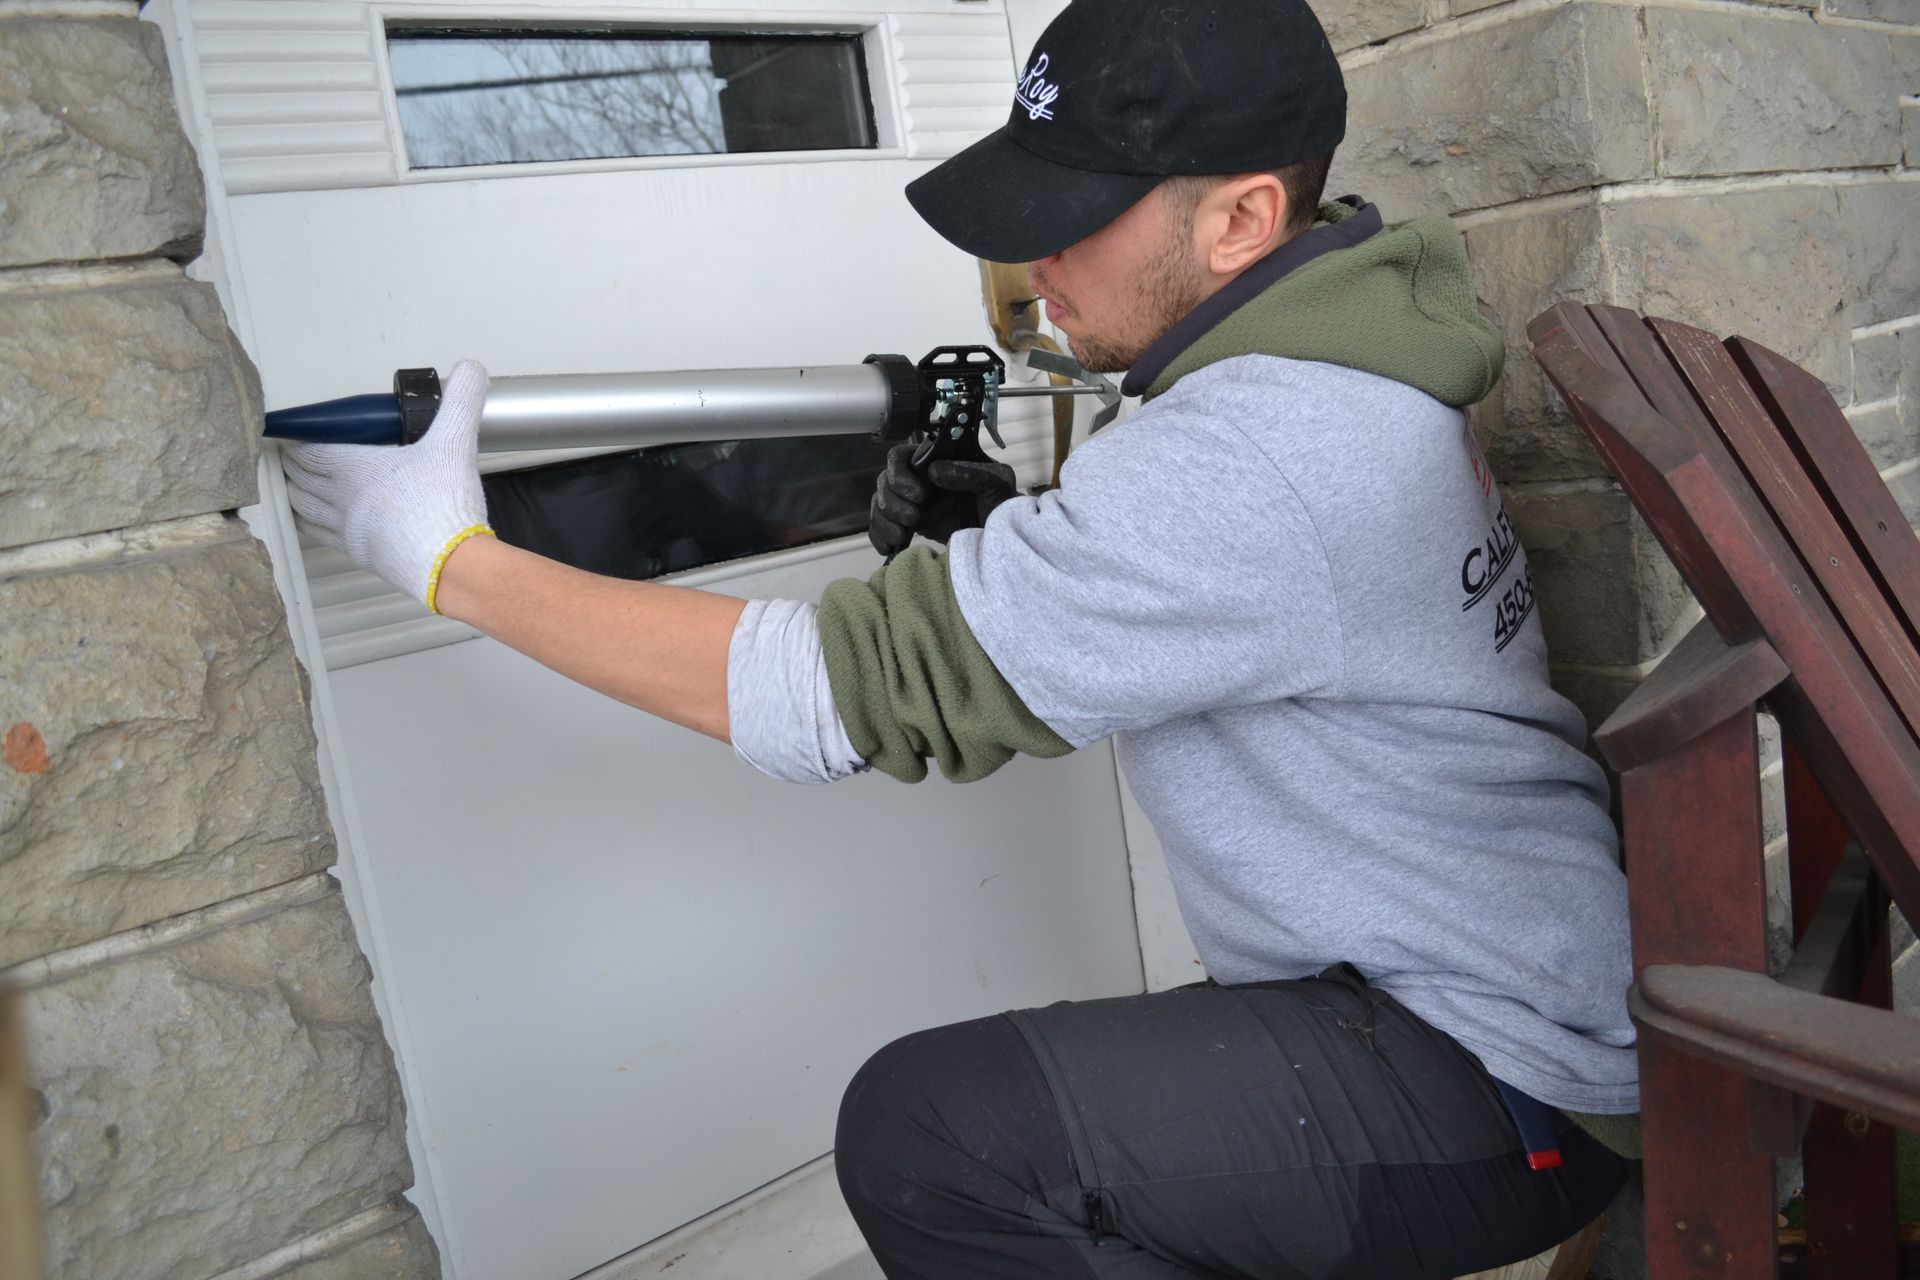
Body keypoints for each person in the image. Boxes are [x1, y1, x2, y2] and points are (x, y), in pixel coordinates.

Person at [282, 0, 1639, 1274]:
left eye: (1078, 217)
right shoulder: (1348, 361)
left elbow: (834, 700)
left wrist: (451, 562)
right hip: (1507, 982)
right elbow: (1235, 598)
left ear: (1242, 218)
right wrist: (997, 528)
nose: (1034, 260)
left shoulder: (1258, 445)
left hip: (1496, 1069)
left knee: (933, 1138)